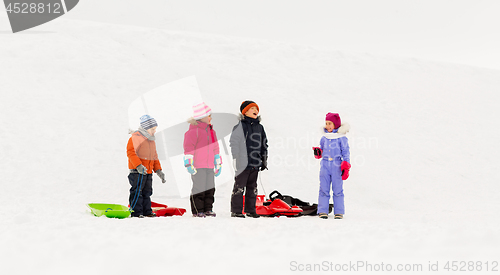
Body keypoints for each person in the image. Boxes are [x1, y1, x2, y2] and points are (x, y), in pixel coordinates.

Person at [230, 100, 268, 218]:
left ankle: (250, 210)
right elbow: (234, 142)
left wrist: (264, 158)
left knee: (252, 188)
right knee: (239, 187)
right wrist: (236, 157)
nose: (255, 111)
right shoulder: (240, 126)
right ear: (245, 112)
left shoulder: (260, 128)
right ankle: (236, 210)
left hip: (255, 163)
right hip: (242, 162)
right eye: (252, 109)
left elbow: (264, 143)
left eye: (256, 109)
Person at [183, 102, 221, 218]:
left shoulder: (211, 132)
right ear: (201, 117)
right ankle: (197, 210)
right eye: (208, 116)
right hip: (198, 166)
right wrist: (189, 164)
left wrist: (218, 163)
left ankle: (208, 208)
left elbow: (215, 148)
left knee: (210, 188)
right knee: (199, 188)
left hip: (209, 165)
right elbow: (188, 148)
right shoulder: (193, 132)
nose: (210, 118)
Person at [312, 112, 351, 219]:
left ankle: (339, 212)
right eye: (326, 123)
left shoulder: (341, 138)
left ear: (336, 125)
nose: (327, 126)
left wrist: (346, 165)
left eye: (330, 123)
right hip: (325, 165)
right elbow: (322, 149)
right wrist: (318, 152)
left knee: (337, 189)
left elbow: (346, 152)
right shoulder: (324, 138)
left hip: (336, 165)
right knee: (323, 188)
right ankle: (322, 211)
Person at [127, 115, 166, 218]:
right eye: (152, 129)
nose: (154, 131)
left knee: (147, 192)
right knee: (137, 192)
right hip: (137, 172)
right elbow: (131, 152)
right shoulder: (136, 137)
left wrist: (158, 170)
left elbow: (154, 156)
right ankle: (136, 212)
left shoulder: (151, 140)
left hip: (148, 172)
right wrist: (138, 166)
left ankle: (146, 211)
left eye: (155, 129)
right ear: (145, 128)